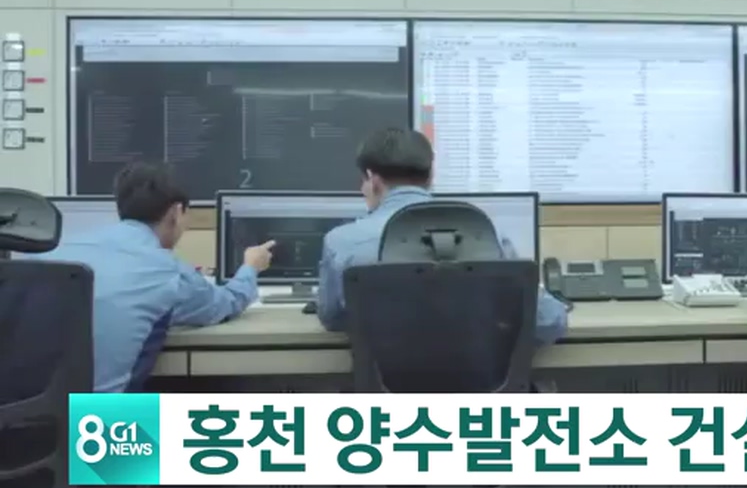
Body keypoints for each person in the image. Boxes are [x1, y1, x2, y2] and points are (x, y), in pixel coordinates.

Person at [35, 162, 276, 392]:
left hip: (27, 413)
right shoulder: (167, 270)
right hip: (102, 418)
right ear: (177, 212)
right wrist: (250, 267)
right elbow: (226, 303)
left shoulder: (52, 252)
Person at [316, 127, 569, 344]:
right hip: (480, 383)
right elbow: (548, 321)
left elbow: (333, 318)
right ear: (431, 175)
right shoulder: (486, 234)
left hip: (387, 382)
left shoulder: (342, 242)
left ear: (372, 179)